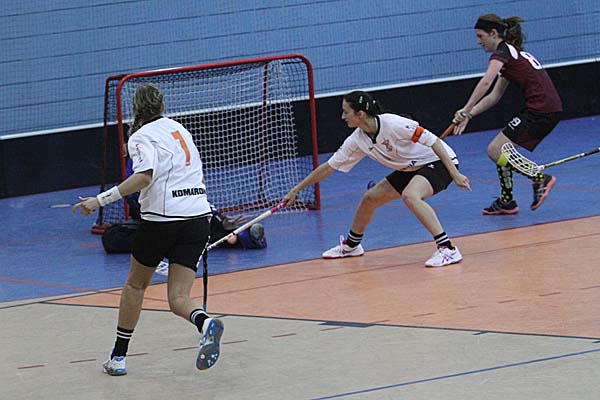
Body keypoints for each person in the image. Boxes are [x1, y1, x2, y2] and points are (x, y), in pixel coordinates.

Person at [72, 83, 223, 375]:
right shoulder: (181, 130)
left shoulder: (140, 136)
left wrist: (99, 200)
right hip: (197, 219)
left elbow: (144, 176)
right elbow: (196, 175)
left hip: (162, 221)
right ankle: (205, 322)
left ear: (136, 110)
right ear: (162, 105)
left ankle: (118, 358)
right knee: (178, 298)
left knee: (135, 285)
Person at [283, 90, 471, 267]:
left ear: (360, 114)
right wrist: (296, 189)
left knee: (411, 195)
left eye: (346, 112)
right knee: (370, 198)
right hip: (410, 168)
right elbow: (329, 167)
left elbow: (435, 141)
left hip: (439, 162)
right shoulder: (357, 140)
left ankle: (448, 249)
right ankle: (352, 246)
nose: (342, 117)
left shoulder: (394, 124)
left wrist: (455, 174)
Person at [452, 14, 562, 215]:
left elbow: (486, 82)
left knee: (496, 150)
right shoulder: (511, 54)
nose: (478, 41)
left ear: (493, 33)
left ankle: (539, 178)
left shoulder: (502, 53)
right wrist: (469, 115)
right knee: (502, 149)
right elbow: (494, 96)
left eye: (480, 36)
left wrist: (465, 108)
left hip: (541, 109)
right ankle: (507, 201)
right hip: (545, 108)